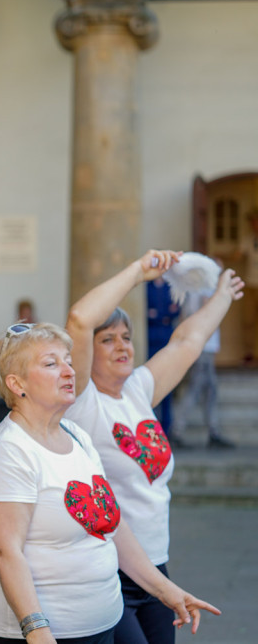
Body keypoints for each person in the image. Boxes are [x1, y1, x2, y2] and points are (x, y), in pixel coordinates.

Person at [0, 322, 219, 643]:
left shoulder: (77, 436)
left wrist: (167, 590)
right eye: (51, 363)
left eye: (68, 361)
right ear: (17, 383)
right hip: (45, 632)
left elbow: (111, 525)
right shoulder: (8, 450)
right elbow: (6, 551)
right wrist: (36, 631)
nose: (69, 371)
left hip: (102, 620)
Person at [65, 250, 243, 643]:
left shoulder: (137, 391)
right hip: (108, 571)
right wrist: (138, 272)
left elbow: (187, 341)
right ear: (86, 354)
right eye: (107, 340)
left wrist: (223, 295)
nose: (122, 346)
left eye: (126, 337)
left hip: (156, 571)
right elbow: (79, 320)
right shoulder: (82, 402)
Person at [172, 289, 234, 449]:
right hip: (203, 347)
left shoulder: (197, 288)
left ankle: (213, 432)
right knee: (196, 389)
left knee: (209, 391)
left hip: (204, 346)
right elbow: (206, 312)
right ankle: (176, 431)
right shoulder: (204, 288)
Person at [145, 280, 180, 432]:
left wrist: (157, 314)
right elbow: (147, 312)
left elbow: (175, 309)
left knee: (167, 385)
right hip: (151, 338)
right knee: (150, 382)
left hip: (167, 337)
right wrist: (162, 315)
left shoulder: (170, 287)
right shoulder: (147, 287)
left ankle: (167, 427)